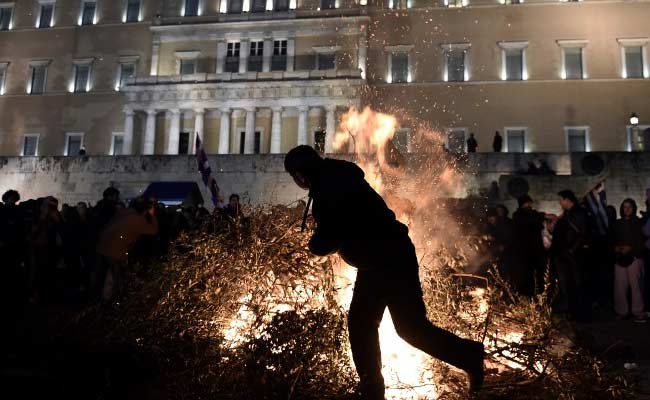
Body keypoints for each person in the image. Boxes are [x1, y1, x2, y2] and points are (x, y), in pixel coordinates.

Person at [284, 145, 484, 398]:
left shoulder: (329, 187)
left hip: (388, 259)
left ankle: (469, 357)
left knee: (408, 328)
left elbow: (333, 232)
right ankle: (372, 388)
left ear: (300, 174)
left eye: (294, 176)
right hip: (378, 261)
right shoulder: (335, 178)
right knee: (365, 324)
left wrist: (313, 245)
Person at [94, 197, 158, 302]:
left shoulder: (124, 213)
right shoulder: (137, 219)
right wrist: (152, 215)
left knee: (108, 274)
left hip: (103, 246)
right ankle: (115, 299)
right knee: (117, 275)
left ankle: (105, 296)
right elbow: (153, 230)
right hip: (115, 250)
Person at [551, 190, 590, 322]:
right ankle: (572, 311)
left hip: (572, 256)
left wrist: (572, 250)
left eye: (561, 200)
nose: (560, 203)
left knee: (576, 284)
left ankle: (579, 314)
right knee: (567, 285)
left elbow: (581, 234)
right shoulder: (568, 214)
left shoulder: (578, 213)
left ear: (567, 200)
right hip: (564, 254)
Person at [612, 199, 647, 323]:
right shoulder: (617, 223)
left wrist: (631, 248)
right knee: (620, 287)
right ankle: (622, 311)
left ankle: (638, 312)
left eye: (629, 207)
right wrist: (615, 247)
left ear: (633, 208)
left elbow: (642, 241)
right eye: (624, 207)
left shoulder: (638, 222)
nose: (627, 209)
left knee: (636, 286)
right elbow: (612, 238)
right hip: (620, 258)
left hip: (634, 258)